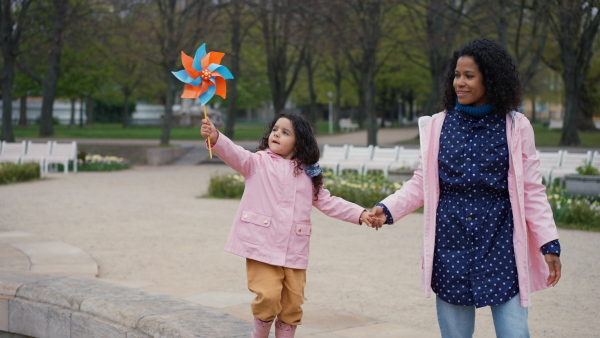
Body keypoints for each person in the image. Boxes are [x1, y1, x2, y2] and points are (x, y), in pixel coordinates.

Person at [369, 38, 562, 337]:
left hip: (501, 243)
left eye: (469, 76)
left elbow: (532, 190)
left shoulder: (516, 126)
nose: (460, 82)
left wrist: (548, 243)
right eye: (457, 75)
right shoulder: (438, 125)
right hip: (450, 244)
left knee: (514, 332)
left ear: (491, 79)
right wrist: (388, 207)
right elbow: (422, 182)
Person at [200, 111, 374, 338]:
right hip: (261, 246)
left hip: (294, 250)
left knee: (292, 304)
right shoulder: (257, 162)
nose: (276, 134)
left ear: (299, 141)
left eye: (285, 132)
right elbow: (236, 154)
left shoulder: (308, 174)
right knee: (268, 297)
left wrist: (359, 213)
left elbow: (328, 201)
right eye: (274, 130)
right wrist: (215, 138)